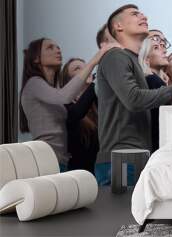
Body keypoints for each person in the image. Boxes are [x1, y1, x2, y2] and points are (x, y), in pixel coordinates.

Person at [96, 4, 172, 184]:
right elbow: (134, 99)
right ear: (118, 26)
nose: (143, 16)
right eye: (135, 14)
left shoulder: (131, 61)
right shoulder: (115, 57)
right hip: (121, 158)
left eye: (142, 13)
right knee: (121, 213)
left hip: (135, 156)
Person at [20, 38, 111, 171]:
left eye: (58, 47)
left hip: (60, 160)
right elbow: (64, 98)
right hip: (45, 160)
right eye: (50, 47)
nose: (57, 50)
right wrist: (95, 60)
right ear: (36, 59)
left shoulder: (51, 91)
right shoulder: (34, 83)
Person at [61, 58, 98, 174]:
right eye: (78, 68)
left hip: (97, 173)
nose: (87, 69)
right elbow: (76, 114)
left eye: (87, 66)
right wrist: (95, 83)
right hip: (75, 177)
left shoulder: (97, 104)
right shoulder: (64, 106)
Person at [138, 31, 170, 152]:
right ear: (145, 57)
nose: (164, 50)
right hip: (157, 148)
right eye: (156, 48)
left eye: (163, 46)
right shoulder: (152, 81)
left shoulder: (155, 81)